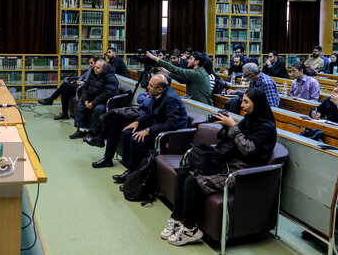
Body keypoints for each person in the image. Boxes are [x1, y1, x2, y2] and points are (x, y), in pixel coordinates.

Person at [160, 88, 277, 246]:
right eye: (242, 100)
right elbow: (228, 141)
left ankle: (190, 228)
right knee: (183, 174)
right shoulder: (248, 120)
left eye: (246, 102)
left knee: (192, 181)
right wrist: (225, 126)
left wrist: (233, 127)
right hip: (226, 165)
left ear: (257, 104)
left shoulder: (267, 128)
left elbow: (248, 150)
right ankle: (177, 219)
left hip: (242, 174)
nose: (242, 105)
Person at [110, 74, 188, 183]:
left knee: (136, 140)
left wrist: (148, 130)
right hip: (157, 126)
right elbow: (149, 112)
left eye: (151, 86)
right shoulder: (157, 94)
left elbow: (171, 124)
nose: (148, 88)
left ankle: (135, 176)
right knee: (127, 133)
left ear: (160, 89)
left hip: (170, 135)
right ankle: (130, 170)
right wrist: (137, 122)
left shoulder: (171, 99)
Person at [70, 59, 119, 139]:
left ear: (104, 69)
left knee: (98, 109)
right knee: (80, 106)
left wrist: (93, 103)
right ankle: (81, 130)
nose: (95, 69)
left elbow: (107, 94)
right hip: (91, 99)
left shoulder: (110, 77)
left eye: (98, 68)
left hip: (104, 101)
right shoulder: (93, 73)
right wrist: (85, 100)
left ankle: (93, 132)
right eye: (95, 67)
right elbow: (85, 87)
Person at [38, 55, 98, 120]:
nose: (90, 64)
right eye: (89, 63)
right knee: (64, 92)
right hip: (80, 86)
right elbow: (83, 76)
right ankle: (65, 114)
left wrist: (83, 83)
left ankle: (50, 100)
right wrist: (79, 81)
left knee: (65, 84)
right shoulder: (90, 70)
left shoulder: (96, 72)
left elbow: (93, 84)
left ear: (96, 63)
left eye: (91, 63)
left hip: (83, 89)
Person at [146, 50, 213, 106]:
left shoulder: (197, 73)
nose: (187, 60)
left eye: (190, 58)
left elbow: (175, 69)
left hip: (204, 107)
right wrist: (168, 73)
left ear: (196, 62)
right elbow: (182, 80)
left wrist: (154, 58)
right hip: (199, 106)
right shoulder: (198, 72)